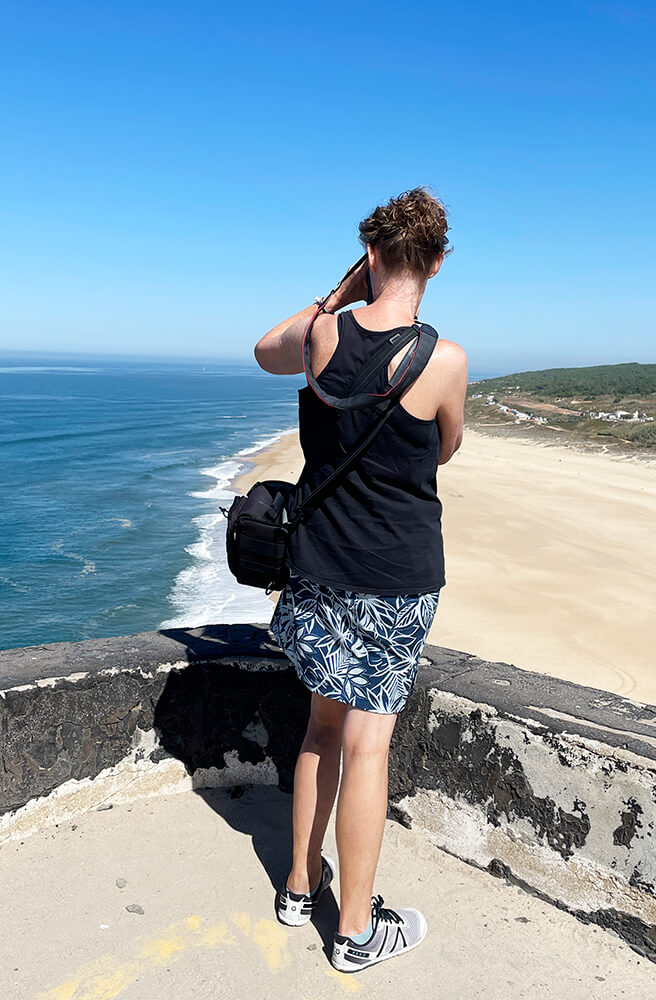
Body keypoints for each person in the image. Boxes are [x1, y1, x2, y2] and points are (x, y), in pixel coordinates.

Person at [253, 187, 467, 973]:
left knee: (321, 730)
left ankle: (298, 887)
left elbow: (265, 350)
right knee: (368, 745)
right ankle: (353, 933)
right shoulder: (444, 360)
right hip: (395, 574)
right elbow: (445, 448)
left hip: (318, 563)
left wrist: (339, 295)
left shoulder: (321, 336)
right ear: (437, 263)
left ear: (369, 254)